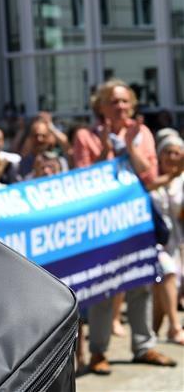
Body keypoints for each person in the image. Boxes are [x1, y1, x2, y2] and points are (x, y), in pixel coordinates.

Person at [73, 79, 175, 374]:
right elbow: (82, 182)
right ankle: (98, 352)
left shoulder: (141, 132)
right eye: (113, 101)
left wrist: (129, 145)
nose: (120, 107)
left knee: (142, 281)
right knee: (106, 285)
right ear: (101, 106)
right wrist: (106, 148)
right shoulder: (85, 136)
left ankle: (144, 346)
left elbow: (149, 173)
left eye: (125, 101)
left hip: (136, 217)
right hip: (103, 223)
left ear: (132, 105)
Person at [148, 135, 184, 345]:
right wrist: (169, 177)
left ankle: (152, 330)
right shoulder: (151, 177)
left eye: (176, 153)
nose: (171, 157)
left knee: (164, 287)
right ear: (159, 156)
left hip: (175, 240)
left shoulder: (183, 180)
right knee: (168, 274)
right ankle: (174, 326)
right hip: (153, 241)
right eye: (167, 152)